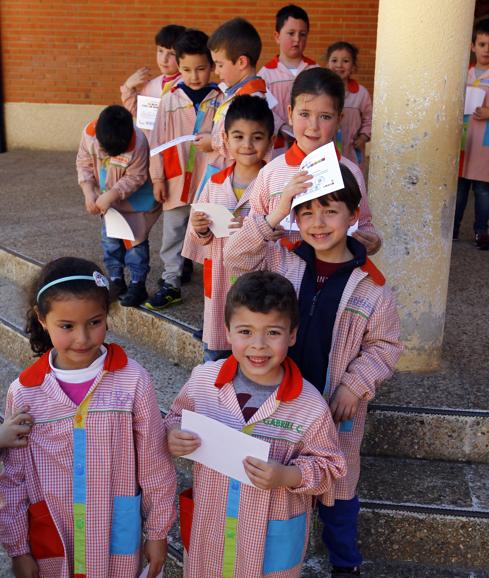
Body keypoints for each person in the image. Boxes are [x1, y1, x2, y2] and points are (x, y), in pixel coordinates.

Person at [224, 163, 403, 577]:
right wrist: (275, 212)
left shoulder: (372, 285)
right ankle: (276, 560)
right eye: (305, 212)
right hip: (279, 406)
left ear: (354, 215)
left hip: (333, 410)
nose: (317, 223)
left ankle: (345, 563)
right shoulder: (280, 259)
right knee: (284, 485)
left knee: (338, 493)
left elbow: (386, 345)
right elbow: (235, 257)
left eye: (330, 211)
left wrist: (354, 386)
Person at [0, 257, 176, 578]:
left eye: (94, 322)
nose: (82, 338)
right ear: (42, 319)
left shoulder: (132, 381)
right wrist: (19, 549)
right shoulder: (25, 392)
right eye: (66, 326)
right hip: (53, 541)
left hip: (115, 543)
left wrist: (158, 531)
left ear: (107, 316)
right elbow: (14, 480)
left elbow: (154, 462)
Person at [165, 271, 346, 577]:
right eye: (245, 331)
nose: (258, 345)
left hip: (269, 544)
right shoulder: (204, 381)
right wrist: (172, 436)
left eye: (273, 332)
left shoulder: (309, 405)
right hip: (213, 531)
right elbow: (174, 419)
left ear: (292, 335)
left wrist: (288, 475)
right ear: (227, 331)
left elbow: (331, 469)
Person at [248, 67, 382, 256]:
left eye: (325, 117)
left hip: (331, 279)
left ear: (339, 120)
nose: (313, 126)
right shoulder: (271, 172)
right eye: (304, 114)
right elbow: (253, 225)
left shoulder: (350, 172)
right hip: (278, 278)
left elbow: (364, 223)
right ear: (290, 113)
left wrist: (372, 242)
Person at [183, 95, 276, 362]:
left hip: (258, 274)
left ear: (270, 141)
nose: (247, 145)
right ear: (225, 138)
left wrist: (253, 229)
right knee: (217, 349)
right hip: (221, 275)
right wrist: (200, 228)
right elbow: (197, 231)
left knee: (255, 340)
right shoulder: (214, 182)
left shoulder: (272, 183)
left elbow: (282, 231)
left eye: (257, 137)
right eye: (238, 136)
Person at [146, 28, 222, 310]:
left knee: (208, 227)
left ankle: (215, 282)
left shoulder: (219, 99)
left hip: (208, 177)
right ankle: (171, 282)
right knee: (174, 231)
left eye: (201, 68)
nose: (194, 76)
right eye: (187, 69)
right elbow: (157, 142)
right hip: (176, 177)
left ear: (212, 66)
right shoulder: (170, 99)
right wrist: (157, 178)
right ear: (178, 66)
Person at [76, 104, 161, 307]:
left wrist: (112, 194)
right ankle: (115, 279)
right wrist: (89, 192)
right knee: (110, 241)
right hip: (107, 201)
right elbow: (84, 163)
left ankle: (137, 284)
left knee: (136, 243)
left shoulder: (138, 141)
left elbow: (136, 176)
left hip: (136, 201)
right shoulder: (89, 134)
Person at [194, 17, 268, 165]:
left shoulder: (254, 99)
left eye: (220, 65)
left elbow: (246, 143)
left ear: (241, 62)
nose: (216, 71)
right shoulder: (236, 92)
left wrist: (213, 142)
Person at [258, 4, 318, 152]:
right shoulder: (265, 75)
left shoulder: (315, 70)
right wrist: (282, 127)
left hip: (310, 145)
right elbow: (260, 109)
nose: (297, 39)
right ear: (277, 36)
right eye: (291, 33)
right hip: (277, 147)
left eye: (302, 34)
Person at [453, 18, 489, 249]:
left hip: (485, 143)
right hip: (464, 141)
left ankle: (480, 232)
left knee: (483, 189)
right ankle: (452, 230)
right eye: (483, 44)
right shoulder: (462, 75)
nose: (487, 50)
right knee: (459, 188)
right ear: (472, 46)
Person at [121, 24, 186, 140]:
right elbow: (140, 115)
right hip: (152, 149)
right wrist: (128, 87)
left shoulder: (188, 85)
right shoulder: (150, 85)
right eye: (160, 51)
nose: (164, 59)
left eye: (171, 53)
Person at [326, 41, 372, 174]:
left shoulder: (361, 93)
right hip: (327, 150)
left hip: (352, 151)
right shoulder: (321, 91)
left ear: (353, 66)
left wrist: (363, 137)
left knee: (352, 185)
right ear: (327, 64)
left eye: (345, 61)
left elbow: (369, 119)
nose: (339, 65)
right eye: (334, 60)